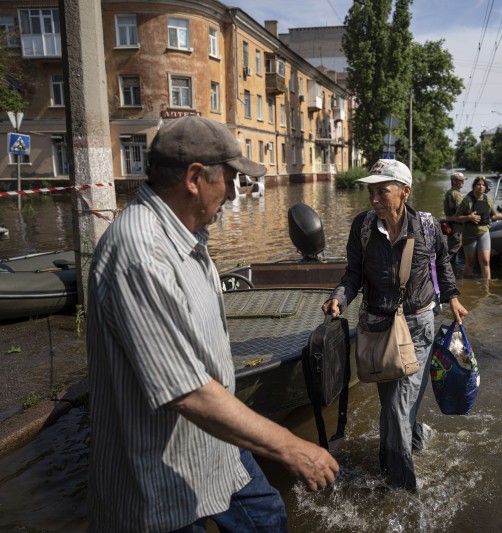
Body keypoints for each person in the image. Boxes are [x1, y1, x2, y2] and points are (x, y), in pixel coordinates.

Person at [87, 115, 338, 532]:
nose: (236, 192)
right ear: (195, 178)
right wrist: (292, 447)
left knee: (266, 519)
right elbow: (188, 394)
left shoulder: (186, 236)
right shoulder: (140, 254)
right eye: (231, 180)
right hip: (160, 471)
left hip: (215, 442)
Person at [322, 159, 468, 491]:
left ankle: (402, 488)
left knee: (399, 407)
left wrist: (453, 295)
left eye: (381, 191)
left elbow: (441, 262)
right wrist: (340, 297)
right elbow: (353, 274)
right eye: (370, 192)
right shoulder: (362, 226)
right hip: (377, 328)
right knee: (389, 404)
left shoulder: (428, 226)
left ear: (405, 192)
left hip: (418, 325)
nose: (373, 199)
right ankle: (410, 444)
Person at [454, 175, 502, 280]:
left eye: (483, 185)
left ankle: (486, 288)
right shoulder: (467, 200)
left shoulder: (487, 199)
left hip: (484, 232)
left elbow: (493, 216)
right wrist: (469, 217)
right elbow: (457, 218)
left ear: (486, 187)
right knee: (470, 262)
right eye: (478, 184)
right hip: (470, 234)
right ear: (474, 186)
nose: (481, 186)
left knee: (485, 261)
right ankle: (467, 284)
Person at [442, 171, 466, 269]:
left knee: (453, 246)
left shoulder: (449, 192)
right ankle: (446, 268)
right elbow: (461, 210)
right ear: (454, 181)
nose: (463, 182)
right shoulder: (456, 194)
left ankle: (449, 267)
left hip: (451, 223)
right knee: (455, 247)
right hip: (456, 225)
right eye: (461, 181)